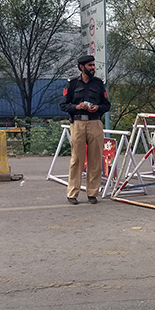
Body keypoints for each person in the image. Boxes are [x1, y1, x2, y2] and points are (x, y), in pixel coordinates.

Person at [60, 55, 111, 205]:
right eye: (90, 65)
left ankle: (92, 193)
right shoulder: (72, 84)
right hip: (78, 123)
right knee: (77, 159)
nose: (93, 68)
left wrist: (98, 108)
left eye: (93, 65)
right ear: (82, 67)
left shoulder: (98, 84)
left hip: (95, 122)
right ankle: (72, 193)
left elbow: (107, 105)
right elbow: (63, 105)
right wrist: (77, 107)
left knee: (95, 159)